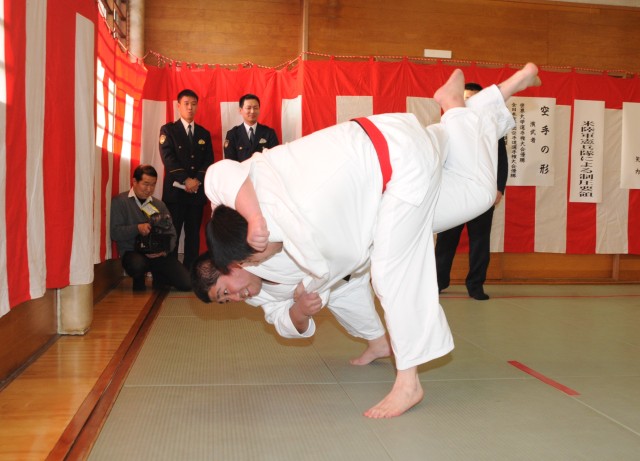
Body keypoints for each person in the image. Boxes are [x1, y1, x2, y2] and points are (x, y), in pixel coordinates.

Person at [203, 64, 542, 418]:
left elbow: (219, 174)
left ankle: (409, 381)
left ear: (235, 260)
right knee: (477, 192)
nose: (260, 262)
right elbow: (328, 277)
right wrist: (304, 301)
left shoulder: (262, 196)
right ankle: (467, 105)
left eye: (226, 289)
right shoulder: (281, 236)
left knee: (392, 269)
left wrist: (255, 216)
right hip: (398, 147)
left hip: (392, 166)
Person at [435, 82, 509, 301]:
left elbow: (502, 161)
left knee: (480, 242)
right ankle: (439, 282)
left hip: (482, 193)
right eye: (466, 98)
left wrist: (498, 188)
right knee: (447, 240)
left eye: (474, 99)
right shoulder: (448, 124)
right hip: (454, 193)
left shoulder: (491, 130)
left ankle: (475, 285)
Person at [110, 164, 191, 292]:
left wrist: (164, 251)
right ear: (135, 181)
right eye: (146, 184)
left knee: (186, 283)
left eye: (153, 184)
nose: (149, 189)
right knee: (137, 264)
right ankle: (139, 279)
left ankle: (160, 277)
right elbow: (115, 232)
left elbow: (172, 234)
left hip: (158, 254)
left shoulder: (159, 204)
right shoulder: (120, 202)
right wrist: (137, 228)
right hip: (133, 253)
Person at [159, 89, 214, 270]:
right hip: (175, 192)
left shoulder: (203, 133)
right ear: (178, 106)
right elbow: (168, 158)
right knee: (173, 232)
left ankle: (191, 271)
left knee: (193, 234)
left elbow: (208, 160)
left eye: (193, 104)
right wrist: (185, 180)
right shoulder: (168, 130)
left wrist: (196, 180)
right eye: (186, 104)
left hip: (196, 193)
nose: (190, 108)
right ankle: (172, 271)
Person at [224, 94, 279, 162]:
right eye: (248, 108)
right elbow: (230, 162)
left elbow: (275, 158)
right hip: (241, 172)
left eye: (255, 108)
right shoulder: (232, 134)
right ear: (240, 110)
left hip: (263, 172)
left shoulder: (269, 133)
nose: (252, 111)